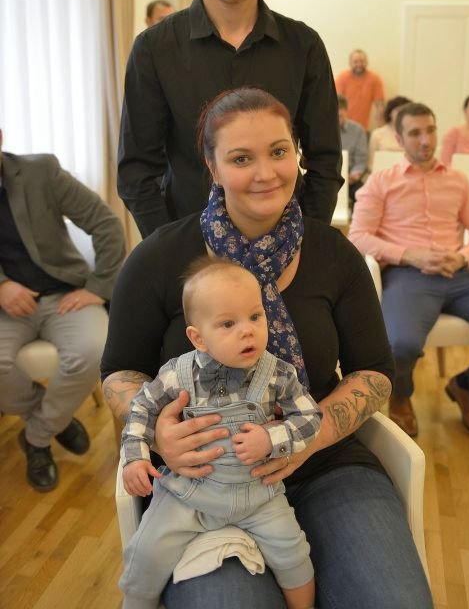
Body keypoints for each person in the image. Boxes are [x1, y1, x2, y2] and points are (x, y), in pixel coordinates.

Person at [103, 87, 432, 608]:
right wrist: (161, 435)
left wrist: (306, 439)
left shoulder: (334, 253)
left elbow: (374, 372)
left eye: (279, 151)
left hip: (325, 465)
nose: (265, 173)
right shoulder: (158, 259)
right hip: (203, 480)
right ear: (211, 166)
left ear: (295, 154)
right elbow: (121, 372)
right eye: (241, 158)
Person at [118, 0, 341, 239]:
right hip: (189, 254)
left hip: (288, 250)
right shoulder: (153, 49)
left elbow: (325, 162)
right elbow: (137, 174)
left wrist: (307, 243)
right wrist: (171, 252)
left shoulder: (305, 46)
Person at [120, 257, 321, 609]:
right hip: (189, 494)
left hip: (259, 494)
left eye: (255, 317)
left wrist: (272, 439)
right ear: (198, 337)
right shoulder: (178, 374)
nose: (248, 331)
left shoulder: (278, 373)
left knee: (294, 554)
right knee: (145, 555)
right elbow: (141, 409)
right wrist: (135, 456)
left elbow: (310, 416)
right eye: (228, 323)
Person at [349, 102, 469, 440]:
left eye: (430, 130)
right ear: (399, 139)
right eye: (415, 133)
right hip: (408, 277)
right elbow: (358, 236)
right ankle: (401, 395)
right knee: (399, 345)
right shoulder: (381, 182)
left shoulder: (457, 180)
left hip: (458, 277)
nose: (425, 140)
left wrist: (464, 256)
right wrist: (410, 255)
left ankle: (467, 387)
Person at [0, 131, 125, 491]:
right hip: (5, 307)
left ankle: (37, 438)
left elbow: (105, 223)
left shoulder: (41, 171)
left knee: (93, 350)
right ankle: (56, 421)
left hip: (65, 294)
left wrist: (98, 287)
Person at [334, 49, 385, 130]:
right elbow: (335, 104)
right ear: (350, 63)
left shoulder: (374, 79)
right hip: (342, 128)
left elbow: (380, 107)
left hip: (363, 129)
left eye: (362, 61)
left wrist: (381, 129)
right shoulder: (342, 78)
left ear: (366, 62)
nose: (359, 64)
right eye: (356, 61)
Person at [337, 94, 367, 204]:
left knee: (363, 196)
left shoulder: (358, 130)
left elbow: (361, 159)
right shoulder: (320, 129)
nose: (338, 115)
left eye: (341, 110)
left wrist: (354, 175)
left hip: (350, 179)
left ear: (346, 111)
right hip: (325, 178)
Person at [367, 95, 411, 170]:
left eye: (405, 111)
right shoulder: (377, 134)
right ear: (390, 112)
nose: (401, 114)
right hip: (382, 173)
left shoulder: (413, 133)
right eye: (398, 111)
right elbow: (371, 163)